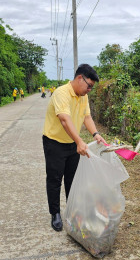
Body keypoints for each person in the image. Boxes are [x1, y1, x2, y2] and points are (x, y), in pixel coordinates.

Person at [42, 64, 106, 232]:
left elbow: (87, 117)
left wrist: (95, 134)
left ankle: (72, 211)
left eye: (92, 87)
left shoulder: (83, 96)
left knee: (72, 179)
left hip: (72, 143)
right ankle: (55, 213)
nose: (90, 90)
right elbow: (64, 119)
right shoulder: (61, 93)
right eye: (89, 86)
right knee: (55, 179)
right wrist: (79, 141)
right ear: (79, 78)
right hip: (54, 142)